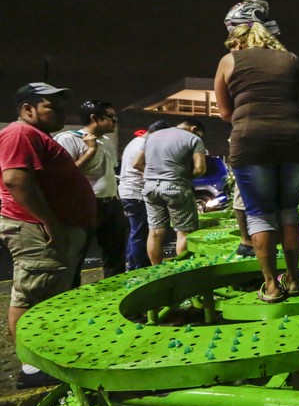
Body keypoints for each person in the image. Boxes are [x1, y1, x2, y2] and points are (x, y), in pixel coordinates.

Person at [215, 0, 299, 302]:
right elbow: (298, 102)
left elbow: (225, 113)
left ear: (238, 34)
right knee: (288, 209)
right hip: (294, 140)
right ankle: (294, 279)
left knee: (259, 214)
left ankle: (271, 286)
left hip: (251, 141)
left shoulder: (229, 61)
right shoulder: (292, 59)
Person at [0, 83, 95, 388]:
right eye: (51, 106)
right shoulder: (20, 133)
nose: (62, 112)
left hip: (53, 227)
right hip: (36, 229)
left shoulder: (37, 136)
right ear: (27, 109)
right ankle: (32, 368)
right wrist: (49, 221)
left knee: (49, 295)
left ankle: (49, 355)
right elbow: (15, 180)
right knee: (32, 296)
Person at [55, 99, 127, 282]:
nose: (115, 121)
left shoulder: (107, 141)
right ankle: (72, 293)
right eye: (110, 117)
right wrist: (90, 150)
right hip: (85, 205)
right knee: (76, 255)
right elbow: (65, 174)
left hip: (111, 203)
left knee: (116, 253)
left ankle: (116, 291)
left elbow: (109, 173)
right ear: (94, 118)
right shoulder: (68, 139)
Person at [135, 119, 206, 266]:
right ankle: (183, 270)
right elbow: (200, 168)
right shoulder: (193, 138)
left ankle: (156, 270)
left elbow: (137, 163)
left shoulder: (152, 137)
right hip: (175, 186)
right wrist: (183, 178)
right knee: (184, 231)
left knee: (155, 232)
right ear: (193, 129)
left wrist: (155, 175)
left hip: (150, 187)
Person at [118, 120, 170, 270]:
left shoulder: (135, 142)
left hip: (127, 192)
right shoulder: (146, 144)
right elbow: (138, 165)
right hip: (136, 193)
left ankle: (131, 265)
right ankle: (140, 267)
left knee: (135, 231)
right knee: (141, 233)